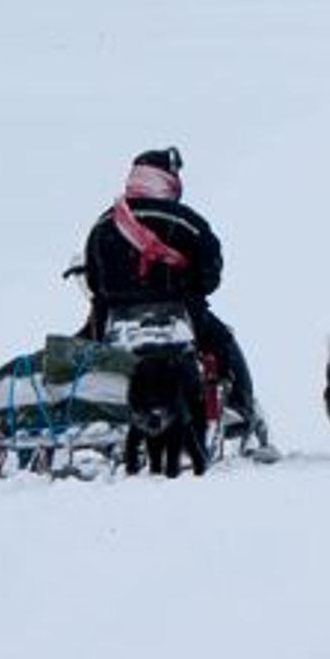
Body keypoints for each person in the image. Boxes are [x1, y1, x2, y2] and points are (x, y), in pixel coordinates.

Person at [72, 147, 267, 454]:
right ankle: (240, 408)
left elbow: (95, 283)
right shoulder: (188, 221)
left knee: (82, 350)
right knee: (224, 342)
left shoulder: (103, 225)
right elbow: (210, 277)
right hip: (180, 318)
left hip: (115, 323)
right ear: (169, 180)